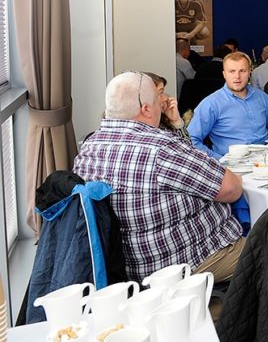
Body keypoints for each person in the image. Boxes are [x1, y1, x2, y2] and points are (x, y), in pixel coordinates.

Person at [73, 72, 245, 283]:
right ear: (146, 109)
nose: (162, 105)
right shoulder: (160, 149)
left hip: (124, 266)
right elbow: (231, 189)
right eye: (157, 101)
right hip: (185, 261)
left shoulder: (88, 147)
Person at [189, 52, 268, 159]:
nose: (237, 76)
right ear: (224, 74)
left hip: (265, 161)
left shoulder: (261, 97)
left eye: (242, 71)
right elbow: (191, 140)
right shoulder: (211, 103)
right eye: (232, 71)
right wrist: (218, 161)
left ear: (249, 73)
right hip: (231, 165)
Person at [143, 72, 191, 141]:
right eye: (161, 93)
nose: (165, 98)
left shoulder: (162, 121)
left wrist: (176, 121)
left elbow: (186, 149)